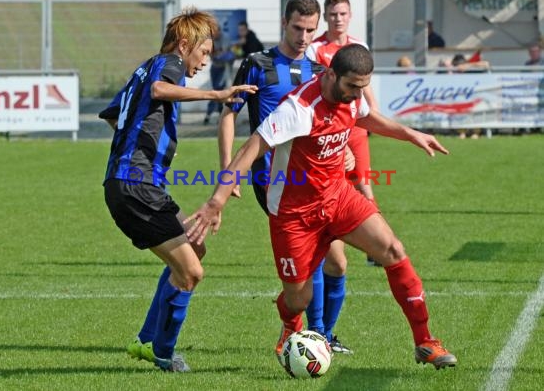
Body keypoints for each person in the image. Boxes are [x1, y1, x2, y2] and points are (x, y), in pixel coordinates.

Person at [186, 44, 457, 370]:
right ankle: (290, 326)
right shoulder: (298, 108)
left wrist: (412, 134)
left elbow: (368, 119)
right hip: (294, 217)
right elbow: (250, 150)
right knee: (299, 299)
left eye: (362, 87)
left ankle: (425, 341)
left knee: (394, 250)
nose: (356, 94)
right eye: (351, 86)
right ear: (330, 74)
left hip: (339, 199)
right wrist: (217, 201)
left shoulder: (352, 97)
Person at [99, 7, 257, 373]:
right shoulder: (168, 63)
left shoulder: (145, 67)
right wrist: (217, 95)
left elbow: (113, 114)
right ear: (185, 44)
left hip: (131, 182)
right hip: (136, 185)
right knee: (190, 273)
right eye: (204, 52)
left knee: (194, 245)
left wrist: (134, 147)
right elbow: (159, 90)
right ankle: (163, 353)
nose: (205, 61)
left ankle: (145, 340)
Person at [218, 0, 352, 354]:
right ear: (284, 22)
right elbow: (229, 113)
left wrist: (348, 150)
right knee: (318, 258)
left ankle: (317, 334)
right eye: (297, 27)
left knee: (338, 262)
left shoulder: (322, 70)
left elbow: (329, 121)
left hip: (318, 177)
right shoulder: (257, 63)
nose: (304, 36)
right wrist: (227, 170)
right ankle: (318, 334)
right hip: (275, 179)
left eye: (310, 29)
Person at [306, 0, 382, 328]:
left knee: (365, 185)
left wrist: (374, 118)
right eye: (333, 14)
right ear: (326, 17)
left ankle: (373, 246)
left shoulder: (358, 46)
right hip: (327, 129)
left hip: (355, 129)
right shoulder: (316, 49)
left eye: (343, 13)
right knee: (332, 191)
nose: (338, 18)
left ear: (350, 16)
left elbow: (365, 91)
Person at [204, 30, 236, 124]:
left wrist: (220, 54)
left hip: (223, 68)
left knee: (218, 90)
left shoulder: (225, 38)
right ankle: (211, 114)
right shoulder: (211, 40)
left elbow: (225, 52)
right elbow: (213, 54)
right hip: (215, 67)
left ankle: (216, 115)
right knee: (215, 91)